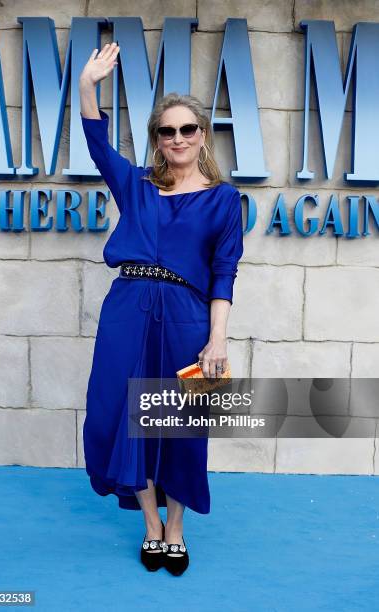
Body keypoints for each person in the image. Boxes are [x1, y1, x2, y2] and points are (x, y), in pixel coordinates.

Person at [79, 42, 244, 576]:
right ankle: (150, 527)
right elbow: (97, 143)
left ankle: (176, 529)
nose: (177, 139)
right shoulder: (137, 186)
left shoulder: (223, 199)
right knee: (126, 417)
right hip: (127, 310)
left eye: (187, 130)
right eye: (166, 131)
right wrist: (88, 86)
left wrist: (217, 340)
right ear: (157, 140)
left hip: (189, 318)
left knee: (182, 423)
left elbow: (224, 273)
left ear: (202, 135)